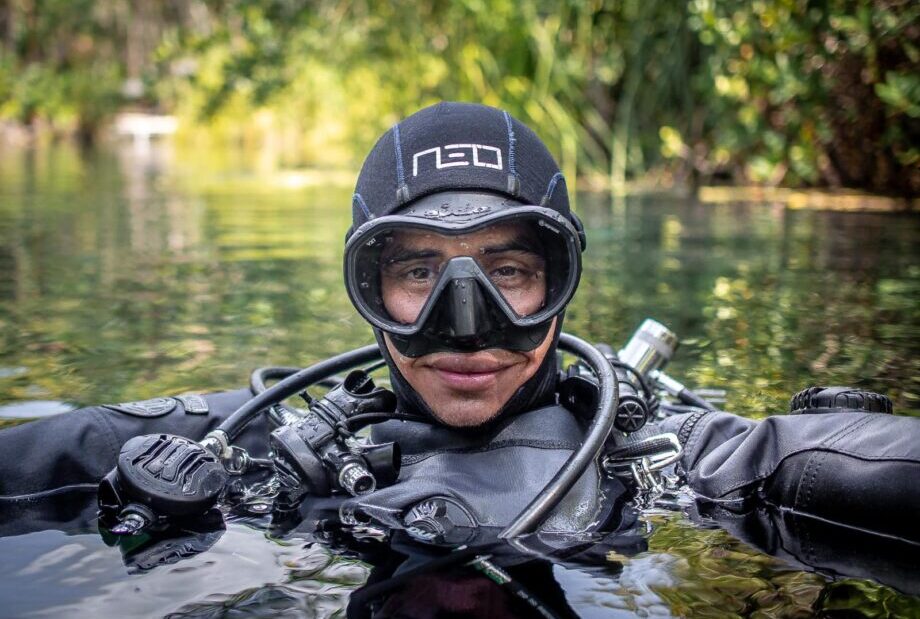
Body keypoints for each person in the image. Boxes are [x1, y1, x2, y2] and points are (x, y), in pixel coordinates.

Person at [1, 101, 918, 544]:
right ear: (366, 283)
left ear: (562, 278)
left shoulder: (670, 455)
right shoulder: (266, 445)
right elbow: (59, 451)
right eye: (416, 272)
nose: (468, 326)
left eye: (511, 270)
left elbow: (811, 459)